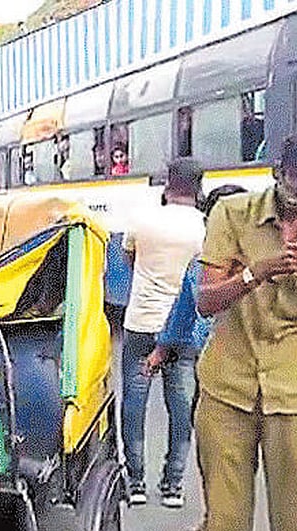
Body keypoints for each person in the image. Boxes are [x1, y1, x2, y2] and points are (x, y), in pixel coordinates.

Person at [195, 130, 297, 531]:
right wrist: (254, 273)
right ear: (277, 173)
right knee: (224, 525)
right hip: (228, 388)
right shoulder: (233, 213)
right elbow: (205, 300)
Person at [137, 184, 249, 531]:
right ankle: (214, 528)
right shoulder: (201, 265)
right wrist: (159, 352)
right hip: (214, 371)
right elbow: (184, 313)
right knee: (217, 456)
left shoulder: (273, 260)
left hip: (266, 376)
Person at [121, 157, 206, 508]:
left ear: (168, 184)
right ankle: (172, 486)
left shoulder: (143, 219)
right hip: (183, 330)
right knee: (181, 409)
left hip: (141, 324)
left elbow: (129, 259)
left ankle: (136, 483)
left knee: (134, 407)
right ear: (200, 188)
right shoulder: (204, 227)